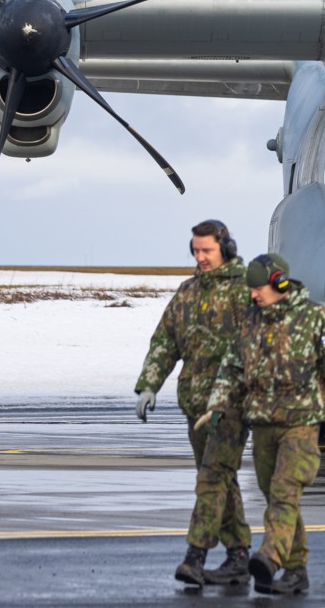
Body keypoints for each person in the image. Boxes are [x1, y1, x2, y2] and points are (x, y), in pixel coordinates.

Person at [205, 254, 325, 596]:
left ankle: (270, 556)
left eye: (258, 288)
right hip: (263, 423)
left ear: (279, 282)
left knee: (284, 490)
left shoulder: (314, 319)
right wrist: (218, 403)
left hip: (302, 423)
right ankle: (296, 572)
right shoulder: (251, 321)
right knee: (277, 497)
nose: (253, 295)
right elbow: (231, 366)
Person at [133, 219, 255, 587]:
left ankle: (195, 555)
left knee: (211, 479)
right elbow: (165, 341)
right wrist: (149, 384)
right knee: (220, 480)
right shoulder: (187, 293)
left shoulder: (245, 291)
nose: (201, 257)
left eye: (207, 250)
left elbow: (257, 346)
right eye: (196, 250)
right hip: (195, 406)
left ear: (226, 249)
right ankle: (238, 555)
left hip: (231, 406)